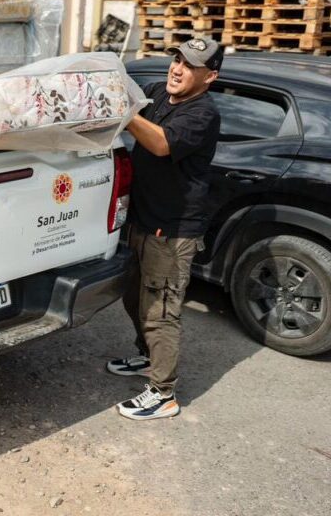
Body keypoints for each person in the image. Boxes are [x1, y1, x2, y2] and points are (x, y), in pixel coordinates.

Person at [107, 37, 222, 421]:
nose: (177, 68)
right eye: (177, 59)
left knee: (161, 310)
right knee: (133, 297)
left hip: (173, 232)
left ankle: (162, 393)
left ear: (210, 77)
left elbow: (158, 143)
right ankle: (146, 356)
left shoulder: (203, 114)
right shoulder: (158, 93)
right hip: (143, 220)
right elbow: (129, 93)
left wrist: (126, 112)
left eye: (190, 65)